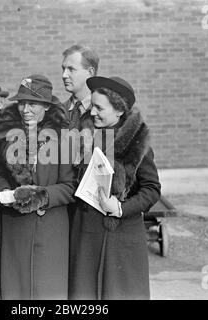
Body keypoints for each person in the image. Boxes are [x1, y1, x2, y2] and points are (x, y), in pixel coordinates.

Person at [69, 76, 161, 300]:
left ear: (119, 110)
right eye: (92, 107)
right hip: (85, 234)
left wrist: (119, 207)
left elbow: (152, 189)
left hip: (121, 237)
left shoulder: (136, 145)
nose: (92, 113)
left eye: (99, 108)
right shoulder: (81, 138)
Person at [0, 74, 75, 300]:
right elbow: (0, 174)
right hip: (16, 229)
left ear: (46, 106)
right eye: (22, 103)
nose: (26, 109)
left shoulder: (63, 139)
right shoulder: (9, 137)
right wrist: (5, 193)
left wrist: (40, 196)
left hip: (50, 232)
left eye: (33, 103)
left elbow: (70, 186)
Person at [61, 44, 99, 129]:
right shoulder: (58, 113)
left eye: (71, 69)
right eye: (63, 69)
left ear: (90, 72)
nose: (64, 75)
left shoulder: (104, 113)